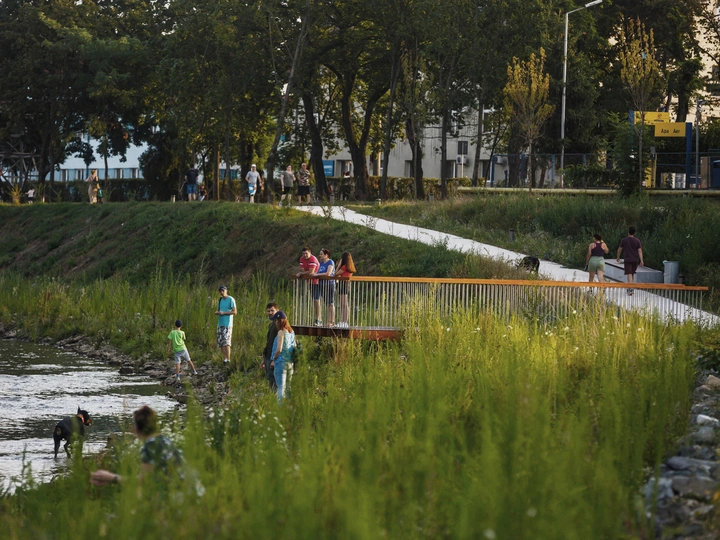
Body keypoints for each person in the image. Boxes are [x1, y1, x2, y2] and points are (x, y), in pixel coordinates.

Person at [89, 406, 183, 486]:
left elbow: (143, 481)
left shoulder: (151, 445)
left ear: (136, 429)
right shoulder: (165, 440)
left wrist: (111, 478)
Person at [270, 312, 296, 404]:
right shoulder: (291, 332)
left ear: (279, 321)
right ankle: (289, 407)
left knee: (281, 387)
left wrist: (273, 358)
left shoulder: (281, 332)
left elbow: (279, 349)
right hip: (290, 363)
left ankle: (280, 407)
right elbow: (294, 347)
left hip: (281, 363)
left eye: (276, 320)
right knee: (288, 387)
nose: (275, 323)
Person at [616, 226, 644, 295]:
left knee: (629, 274)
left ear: (628, 232)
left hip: (628, 259)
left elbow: (619, 250)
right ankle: (631, 287)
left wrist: (618, 257)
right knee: (632, 274)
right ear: (634, 233)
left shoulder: (624, 240)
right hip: (635, 260)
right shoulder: (637, 241)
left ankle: (630, 289)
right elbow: (640, 251)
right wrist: (641, 260)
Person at [295, 247, 320, 323]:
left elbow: (310, 271)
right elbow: (303, 270)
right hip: (310, 281)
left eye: (306, 253)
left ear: (310, 253)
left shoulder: (313, 259)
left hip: (317, 281)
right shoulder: (302, 259)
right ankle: (317, 318)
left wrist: (301, 273)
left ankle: (318, 319)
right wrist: (303, 273)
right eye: (303, 253)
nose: (305, 255)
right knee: (314, 300)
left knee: (316, 300)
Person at [313, 248, 335, 326]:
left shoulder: (330, 262)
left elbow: (328, 273)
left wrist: (317, 275)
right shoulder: (321, 263)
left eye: (321, 254)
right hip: (322, 284)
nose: (320, 255)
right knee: (327, 303)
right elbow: (319, 272)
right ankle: (328, 321)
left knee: (330, 303)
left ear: (326, 255)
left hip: (329, 284)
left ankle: (331, 321)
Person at [215, 285, 237, 364]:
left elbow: (234, 312)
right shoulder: (220, 300)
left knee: (226, 342)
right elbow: (218, 310)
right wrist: (217, 312)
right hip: (220, 323)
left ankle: (228, 359)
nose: (222, 292)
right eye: (220, 291)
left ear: (226, 290)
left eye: (223, 290)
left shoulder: (231, 299)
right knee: (221, 342)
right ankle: (225, 359)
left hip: (227, 324)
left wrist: (224, 313)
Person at [335, 251, 356, 328]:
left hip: (343, 284)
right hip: (346, 284)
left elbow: (336, 273)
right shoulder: (350, 267)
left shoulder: (344, 267)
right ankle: (343, 321)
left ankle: (344, 321)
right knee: (343, 303)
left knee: (343, 304)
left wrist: (339, 265)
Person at [262, 303, 280, 390]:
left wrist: (274, 360)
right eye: (268, 311)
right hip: (268, 357)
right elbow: (268, 342)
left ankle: (279, 402)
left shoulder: (280, 326)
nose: (270, 313)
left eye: (272, 310)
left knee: (276, 384)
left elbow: (280, 345)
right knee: (270, 381)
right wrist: (264, 359)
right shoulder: (271, 325)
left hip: (275, 358)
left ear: (277, 311)